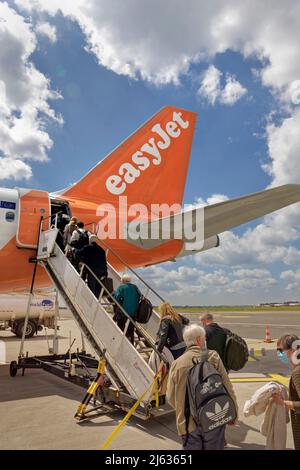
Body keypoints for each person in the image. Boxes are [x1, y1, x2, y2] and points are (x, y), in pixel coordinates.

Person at [166, 323, 238, 450]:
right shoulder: (213, 357)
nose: (205, 340)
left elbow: (171, 397)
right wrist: (234, 412)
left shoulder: (177, 364)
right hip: (213, 420)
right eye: (204, 338)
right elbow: (227, 387)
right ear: (199, 340)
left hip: (188, 425)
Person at [272, 334, 300, 450]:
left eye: (280, 350)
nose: (279, 354)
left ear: (293, 349)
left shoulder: (297, 373)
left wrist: (282, 402)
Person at [75, 234, 107, 299]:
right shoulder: (102, 250)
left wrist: (75, 250)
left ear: (90, 240)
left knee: (91, 285)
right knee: (97, 286)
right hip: (101, 271)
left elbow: (78, 253)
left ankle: (93, 300)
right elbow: (104, 262)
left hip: (92, 270)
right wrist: (105, 272)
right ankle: (97, 299)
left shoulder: (88, 247)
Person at [113, 274, 140, 344]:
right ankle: (131, 343)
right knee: (130, 330)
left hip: (123, 312)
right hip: (133, 313)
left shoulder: (121, 287)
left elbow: (116, 298)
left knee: (120, 327)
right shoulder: (135, 287)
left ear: (123, 280)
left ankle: (121, 343)